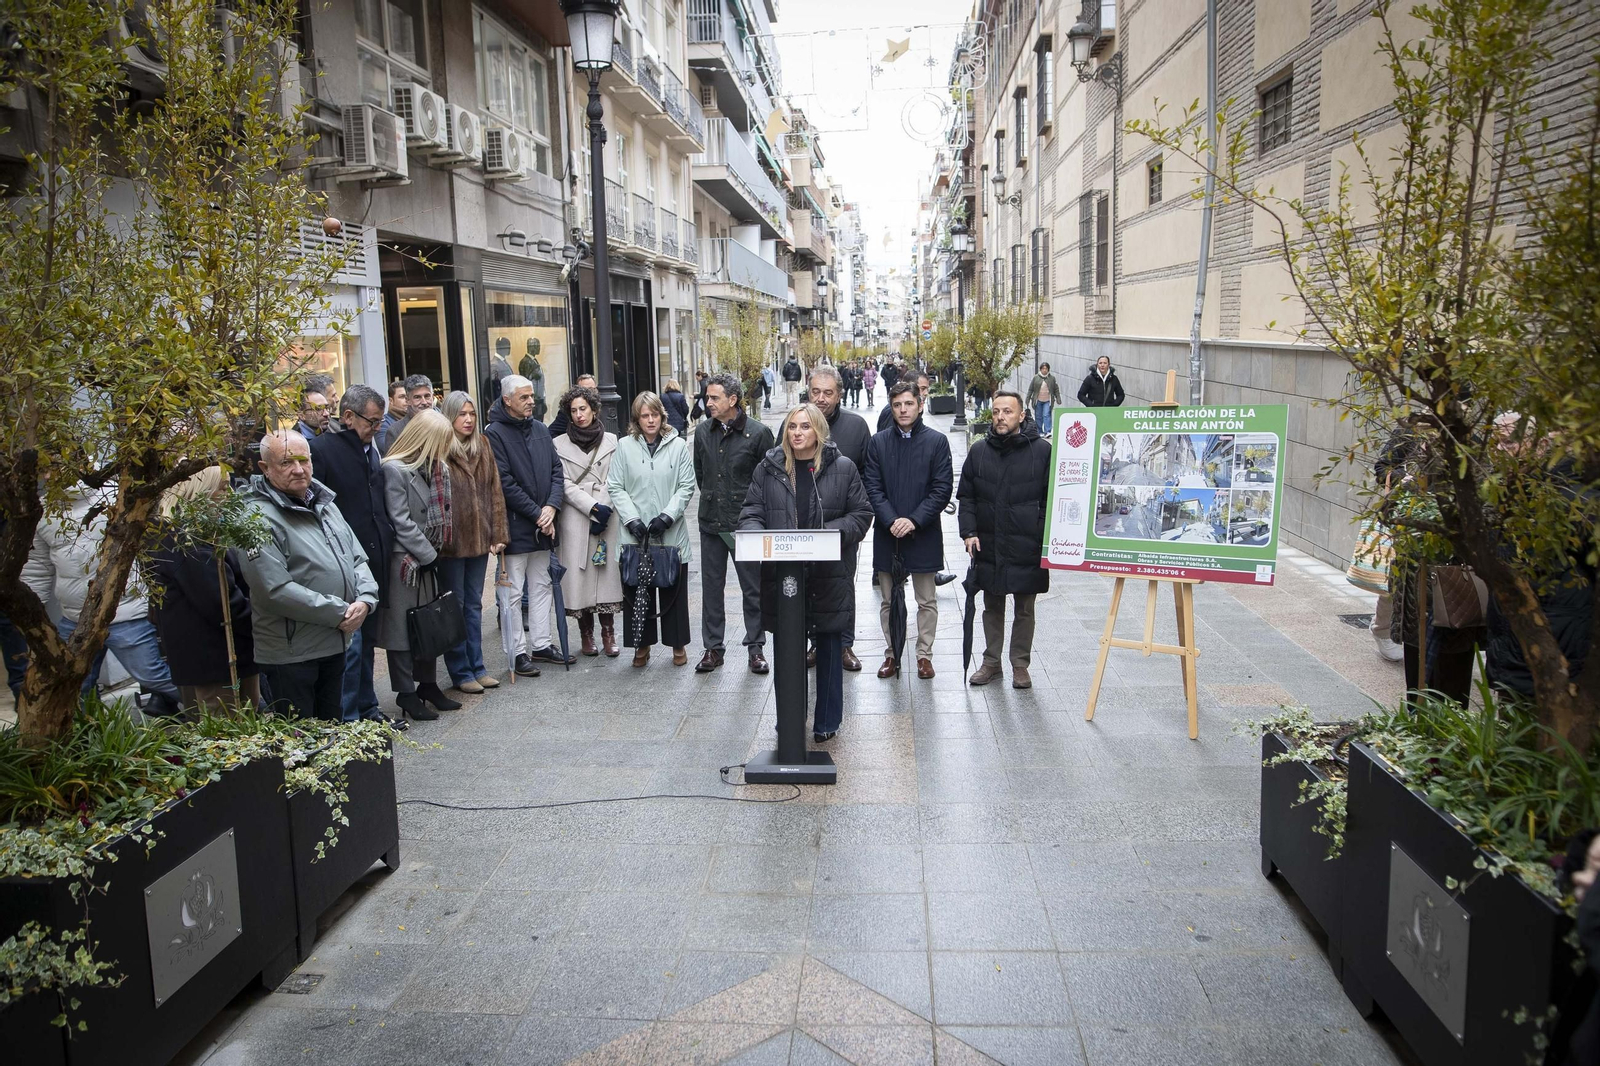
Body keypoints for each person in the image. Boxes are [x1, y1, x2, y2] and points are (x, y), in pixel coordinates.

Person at [739, 403, 872, 742]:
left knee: (828, 647)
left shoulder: (842, 468)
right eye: (792, 427)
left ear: (818, 432)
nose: (797, 433)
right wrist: (757, 536)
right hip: (784, 579)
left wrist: (828, 537)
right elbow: (751, 511)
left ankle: (827, 722)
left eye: (805, 427)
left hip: (828, 574)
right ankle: (788, 719)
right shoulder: (768, 469)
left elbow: (860, 514)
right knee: (787, 649)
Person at [239, 430, 378, 719]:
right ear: (265, 468)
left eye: (304, 460)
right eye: (287, 462)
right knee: (300, 742)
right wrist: (340, 612)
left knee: (332, 733)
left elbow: (357, 557)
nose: (299, 469)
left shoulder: (323, 502)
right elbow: (275, 590)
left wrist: (365, 599)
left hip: (336, 642)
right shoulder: (255, 518)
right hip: (292, 653)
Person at [23, 483, 183, 713]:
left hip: (126, 612)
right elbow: (38, 566)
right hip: (75, 617)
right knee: (77, 685)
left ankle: (219, 709)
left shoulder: (117, 495)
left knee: (153, 675)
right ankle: (87, 735)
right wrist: (31, 616)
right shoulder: (44, 511)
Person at [307, 384, 398, 726]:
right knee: (352, 646)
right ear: (348, 416)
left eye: (379, 422)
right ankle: (351, 718)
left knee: (368, 642)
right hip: (343, 563)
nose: (377, 428)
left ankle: (368, 708)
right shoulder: (323, 450)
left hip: (373, 557)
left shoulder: (369, 449)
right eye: (372, 422)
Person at [148, 467, 263, 715]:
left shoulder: (189, 535)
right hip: (215, 663)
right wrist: (264, 624)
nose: (230, 494)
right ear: (199, 493)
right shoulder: (188, 543)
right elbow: (221, 604)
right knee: (225, 736)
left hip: (220, 658)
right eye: (222, 488)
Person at [957, 392, 1051, 689]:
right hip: (990, 542)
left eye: (1008, 411)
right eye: (996, 411)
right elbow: (967, 496)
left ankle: (1020, 664)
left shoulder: (1042, 452)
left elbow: (1051, 499)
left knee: (1025, 608)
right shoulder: (979, 451)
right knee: (992, 604)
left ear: (1022, 415)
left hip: (1028, 544)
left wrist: (1040, 531)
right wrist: (969, 531)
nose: (1000, 416)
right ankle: (991, 662)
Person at [373, 411, 461, 722]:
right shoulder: (394, 470)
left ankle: (428, 685)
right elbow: (400, 521)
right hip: (406, 562)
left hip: (426, 557)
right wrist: (429, 555)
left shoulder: (436, 468)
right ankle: (406, 693)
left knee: (428, 626)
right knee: (401, 631)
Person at [863, 382, 954, 679]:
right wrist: (891, 520)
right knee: (889, 600)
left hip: (923, 532)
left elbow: (941, 489)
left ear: (919, 404)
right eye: (898, 405)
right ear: (891, 406)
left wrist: (913, 520)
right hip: (888, 534)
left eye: (908, 404)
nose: (903, 410)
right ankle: (892, 654)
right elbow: (872, 487)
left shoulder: (937, 442)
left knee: (926, 600)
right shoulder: (878, 443)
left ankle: (924, 656)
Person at [485, 374, 570, 677]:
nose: (531, 401)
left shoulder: (540, 429)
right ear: (507, 400)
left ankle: (542, 644)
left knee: (542, 585)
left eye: (531, 396)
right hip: (515, 526)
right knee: (512, 593)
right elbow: (504, 483)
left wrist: (551, 506)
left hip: (543, 524)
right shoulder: (494, 433)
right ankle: (517, 652)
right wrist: (538, 513)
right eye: (523, 397)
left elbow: (557, 472)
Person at [692, 374, 775, 674]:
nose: (708, 402)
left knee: (752, 588)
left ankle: (756, 648)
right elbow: (702, 475)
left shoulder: (759, 433)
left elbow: (768, 480)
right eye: (707, 397)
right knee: (711, 589)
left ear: (733, 400)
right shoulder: (702, 432)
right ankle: (713, 649)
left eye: (714, 398)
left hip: (746, 525)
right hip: (711, 523)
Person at [608, 391, 696, 668]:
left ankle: (677, 644)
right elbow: (615, 485)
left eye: (654, 415)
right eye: (644, 416)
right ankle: (641, 644)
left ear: (662, 415)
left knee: (673, 590)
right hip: (635, 533)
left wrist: (668, 516)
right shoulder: (624, 446)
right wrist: (631, 519)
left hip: (669, 532)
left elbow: (686, 485)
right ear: (636, 418)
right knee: (636, 590)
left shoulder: (678, 445)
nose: (650, 420)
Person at [438, 391, 508, 694]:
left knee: (475, 605)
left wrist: (498, 533)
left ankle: (477, 666)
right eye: (461, 414)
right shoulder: (440, 446)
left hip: (479, 539)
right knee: (456, 605)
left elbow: (495, 489)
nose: (468, 420)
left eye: (472, 414)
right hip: (452, 543)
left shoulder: (483, 443)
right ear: (450, 416)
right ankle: (460, 671)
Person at [554, 385, 625, 658]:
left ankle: (609, 633)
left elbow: (616, 477)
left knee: (606, 574)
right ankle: (586, 634)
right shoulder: (558, 444)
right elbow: (563, 483)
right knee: (579, 578)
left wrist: (604, 508)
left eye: (583, 409)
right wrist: (592, 506)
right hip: (577, 517)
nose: (579, 415)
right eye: (573, 411)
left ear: (594, 410)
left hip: (607, 518)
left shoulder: (613, 441)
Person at [808, 366, 870, 672]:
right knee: (810, 583)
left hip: (842, 526)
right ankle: (815, 644)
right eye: (815, 392)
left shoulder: (857, 427)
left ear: (839, 394)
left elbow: (869, 475)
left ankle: (845, 645)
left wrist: (856, 521)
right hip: (804, 527)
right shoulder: (796, 423)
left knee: (843, 583)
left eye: (827, 392)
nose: (820, 399)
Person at [378, 373, 436, 453]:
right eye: (417, 397)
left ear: (433, 397)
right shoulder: (395, 431)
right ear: (407, 400)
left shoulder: (444, 424)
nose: (424, 402)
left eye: (427, 396)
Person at [547, 373, 598, 438]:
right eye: (585, 390)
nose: (590, 393)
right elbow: (551, 433)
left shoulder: (602, 406)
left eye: (592, 389)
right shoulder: (566, 412)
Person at [1026, 362, 1063, 437]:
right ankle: (1040, 431)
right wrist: (1028, 398)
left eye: (1046, 368)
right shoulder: (1036, 378)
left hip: (1047, 400)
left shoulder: (1052, 378)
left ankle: (1048, 431)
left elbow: (1056, 389)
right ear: (1040, 369)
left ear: (1048, 369)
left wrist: (1058, 398)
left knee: (1046, 415)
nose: (1044, 370)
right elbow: (1031, 389)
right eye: (1043, 368)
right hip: (1038, 400)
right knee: (1038, 416)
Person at [379, 379, 408, 447]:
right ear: (391, 401)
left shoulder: (416, 418)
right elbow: (387, 447)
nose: (407, 400)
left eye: (408, 396)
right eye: (402, 397)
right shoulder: (383, 423)